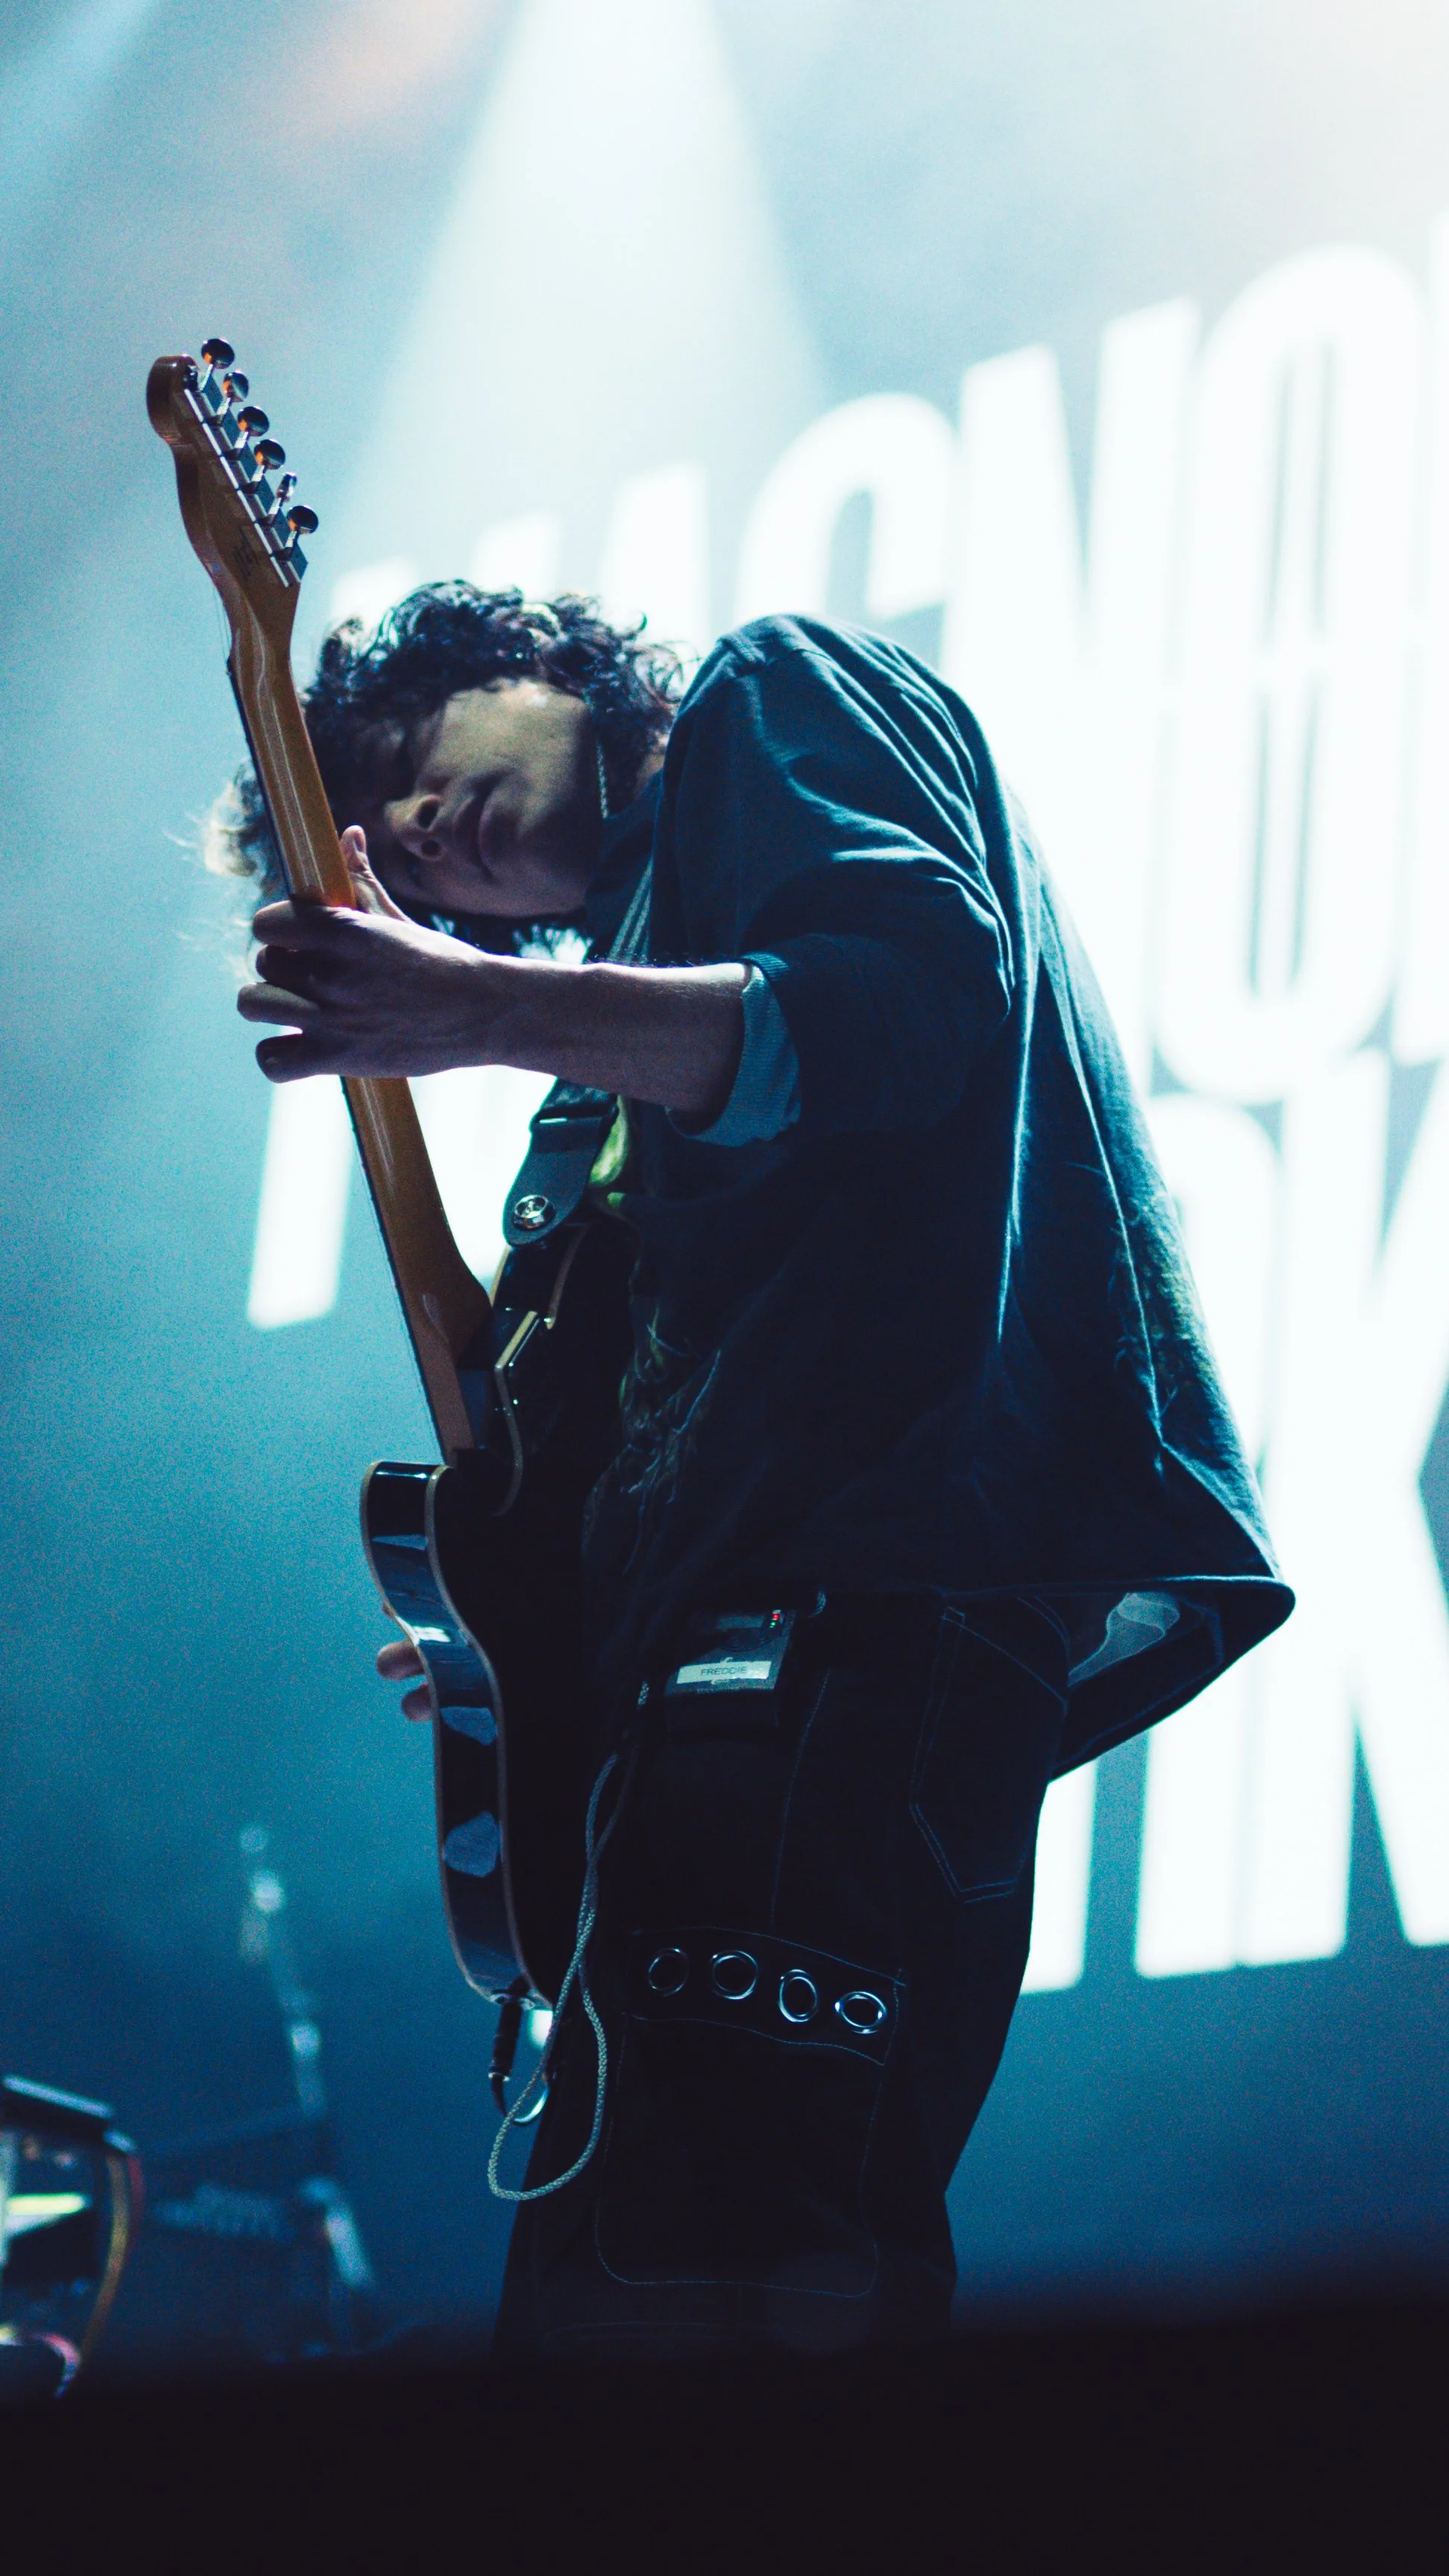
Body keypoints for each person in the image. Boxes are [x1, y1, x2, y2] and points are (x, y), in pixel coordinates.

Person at [225, 585, 1292, 2360]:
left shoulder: (764, 694)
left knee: (740, 2274)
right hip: (722, 1665)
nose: (419, 834)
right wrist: (513, 1637)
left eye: (412, 760)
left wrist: (474, 1008)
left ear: (534, 667)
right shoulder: (597, 1115)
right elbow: (604, 1446)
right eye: (396, 865)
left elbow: (904, 1003)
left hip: (854, 1598)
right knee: (626, 2278)